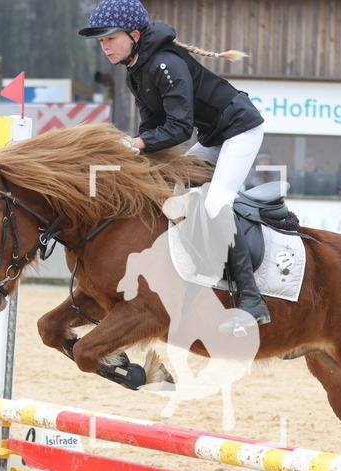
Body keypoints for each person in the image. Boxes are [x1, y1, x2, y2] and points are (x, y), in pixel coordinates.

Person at [80, 0, 270, 330]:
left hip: (240, 130)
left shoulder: (165, 63)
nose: (104, 47)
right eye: (100, 42)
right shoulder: (136, 70)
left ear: (134, 35)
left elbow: (179, 128)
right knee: (169, 186)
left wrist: (136, 145)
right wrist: (134, 156)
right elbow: (153, 126)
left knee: (216, 203)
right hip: (214, 136)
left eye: (109, 39)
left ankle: (252, 301)